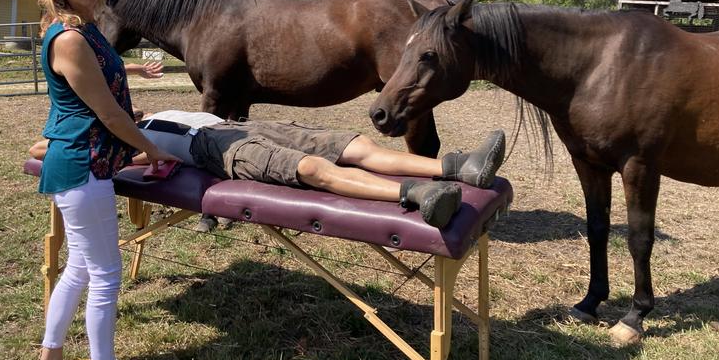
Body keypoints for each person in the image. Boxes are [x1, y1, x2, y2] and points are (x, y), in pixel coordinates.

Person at [33, 0, 178, 360]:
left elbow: (105, 70)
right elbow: (110, 114)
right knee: (106, 274)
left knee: (78, 267)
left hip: (82, 163)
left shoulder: (86, 28)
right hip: (83, 166)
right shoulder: (71, 38)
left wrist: (131, 72)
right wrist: (152, 148)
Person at [131, 110, 506, 228]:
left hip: (238, 126)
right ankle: (417, 193)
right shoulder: (128, 139)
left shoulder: (154, 114)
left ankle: (459, 167)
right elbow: (125, 162)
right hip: (215, 150)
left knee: (353, 144)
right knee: (309, 167)